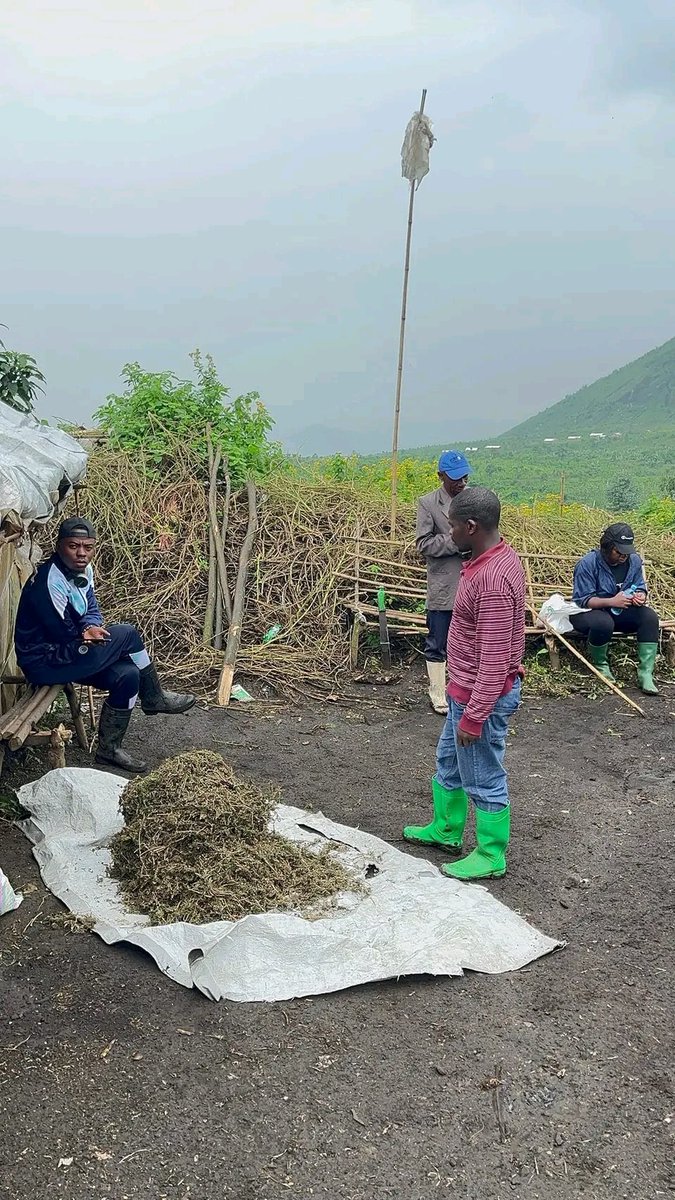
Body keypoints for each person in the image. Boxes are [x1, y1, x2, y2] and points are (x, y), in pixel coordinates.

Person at [404, 487, 525, 881]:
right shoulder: (491, 558)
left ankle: (491, 854)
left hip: (480, 697)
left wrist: (474, 717)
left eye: (453, 525)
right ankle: (446, 829)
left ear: (470, 527)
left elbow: (494, 660)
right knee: (450, 761)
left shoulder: (492, 579)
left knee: (483, 774)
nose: (449, 532)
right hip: (465, 692)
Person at [14, 516, 195, 774]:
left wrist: (89, 626)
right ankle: (154, 697)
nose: (82, 553)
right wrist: (83, 635)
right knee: (127, 634)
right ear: (59, 546)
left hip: (69, 651)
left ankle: (109, 750)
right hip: (45, 661)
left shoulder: (83, 570)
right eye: (73, 546)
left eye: (88, 547)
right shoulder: (48, 582)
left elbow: (91, 607)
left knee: (128, 675)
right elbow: (61, 634)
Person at [570, 523, 660, 694]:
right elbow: (583, 600)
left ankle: (646, 673)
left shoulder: (634, 561)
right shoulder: (588, 563)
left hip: (618, 611)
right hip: (588, 613)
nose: (623, 556)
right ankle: (601, 666)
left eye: (626, 552)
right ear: (607, 547)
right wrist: (612, 601)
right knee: (603, 622)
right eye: (618, 552)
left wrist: (640, 595)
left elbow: (639, 585)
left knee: (649, 617)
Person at [415, 449, 472, 714]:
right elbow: (424, 544)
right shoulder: (428, 503)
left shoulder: (474, 499)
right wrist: (457, 540)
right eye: (455, 478)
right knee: (438, 641)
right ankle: (438, 693)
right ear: (441, 476)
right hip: (444, 586)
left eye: (464, 477)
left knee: (471, 640)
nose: (461, 483)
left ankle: (467, 690)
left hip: (473, 582)